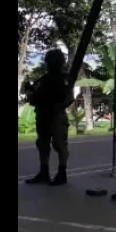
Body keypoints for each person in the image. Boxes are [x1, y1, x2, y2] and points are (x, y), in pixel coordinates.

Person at [23, 49, 72, 186]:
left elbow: (69, 98)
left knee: (60, 145)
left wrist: (57, 106)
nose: (51, 64)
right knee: (42, 145)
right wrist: (30, 92)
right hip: (43, 115)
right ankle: (44, 173)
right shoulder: (42, 80)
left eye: (54, 61)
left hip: (57, 116)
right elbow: (33, 100)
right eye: (50, 61)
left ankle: (62, 173)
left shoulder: (65, 79)